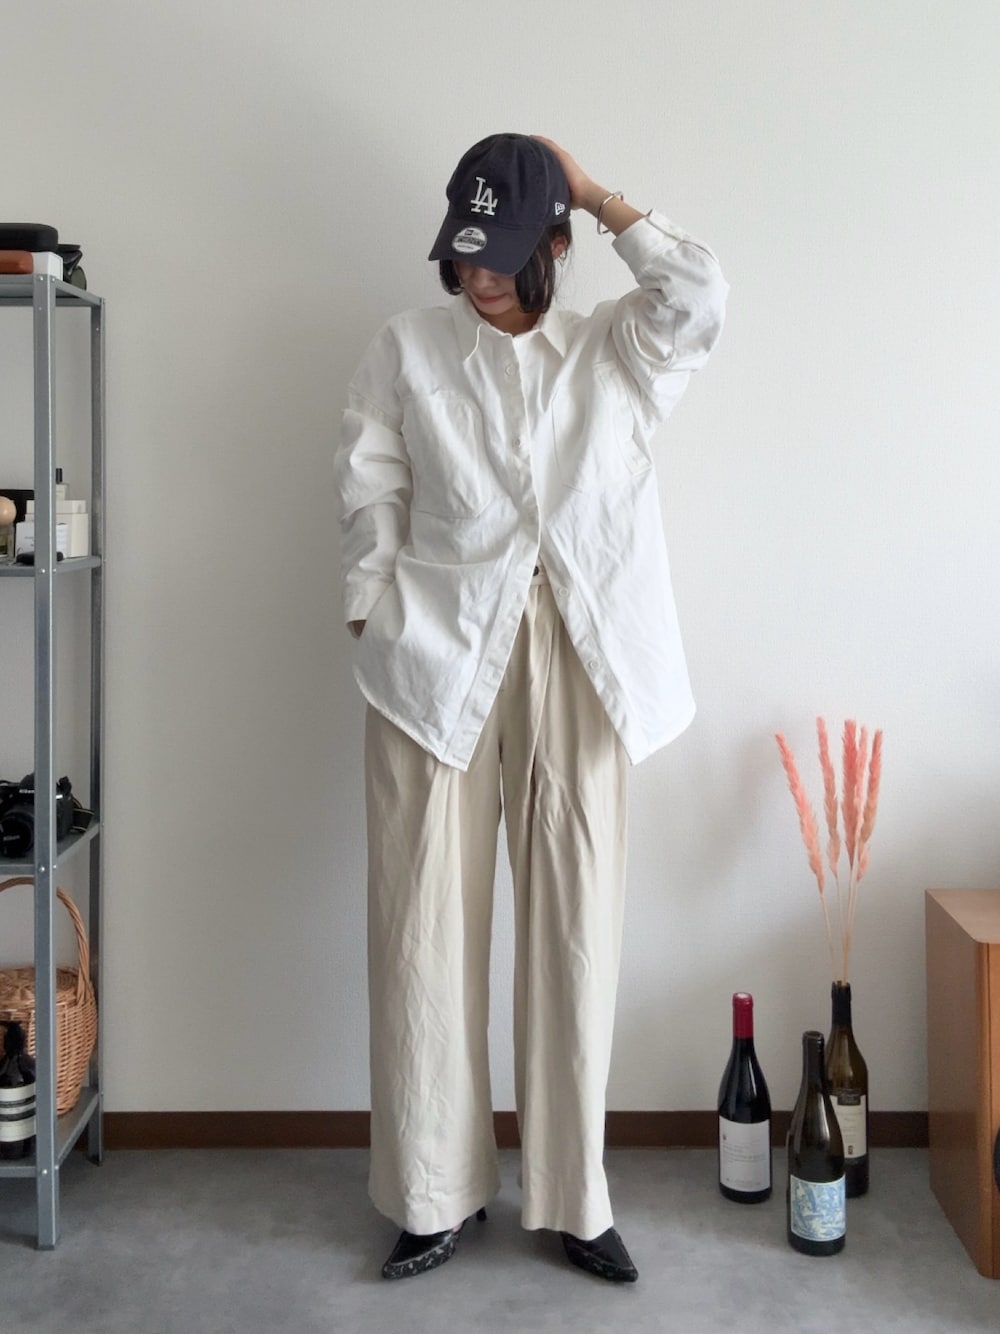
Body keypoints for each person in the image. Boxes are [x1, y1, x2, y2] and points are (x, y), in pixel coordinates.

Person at [335, 133, 728, 1283]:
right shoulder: (405, 348)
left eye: (503, 253)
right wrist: (368, 605)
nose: (480, 276)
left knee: (574, 931)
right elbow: (370, 480)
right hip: (434, 655)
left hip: (580, 656)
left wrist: (598, 192)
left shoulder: (618, 347)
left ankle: (573, 1194)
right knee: (420, 930)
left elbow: (702, 294)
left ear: (556, 244)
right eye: (463, 255)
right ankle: (431, 1192)